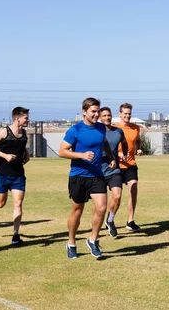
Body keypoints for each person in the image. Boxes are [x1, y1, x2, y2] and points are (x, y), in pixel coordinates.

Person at [59, 98, 116, 259]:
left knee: (101, 207)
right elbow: (62, 151)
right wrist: (81, 155)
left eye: (98, 111)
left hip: (96, 175)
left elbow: (103, 142)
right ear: (84, 112)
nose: (97, 114)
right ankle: (71, 243)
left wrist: (110, 156)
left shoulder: (100, 128)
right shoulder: (75, 130)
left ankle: (93, 240)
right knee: (77, 211)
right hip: (78, 176)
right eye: (93, 111)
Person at [0, 107, 30, 245]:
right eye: (26, 118)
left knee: (18, 203)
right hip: (3, 173)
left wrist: (25, 154)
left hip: (18, 174)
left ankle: (15, 235)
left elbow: (22, 146)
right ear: (17, 118)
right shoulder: (4, 132)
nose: (28, 120)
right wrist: (5, 156)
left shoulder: (24, 133)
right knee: (0, 203)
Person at [113, 103, 143, 232]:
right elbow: (108, 145)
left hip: (131, 164)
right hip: (117, 166)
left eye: (129, 113)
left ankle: (130, 221)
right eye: (125, 113)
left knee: (133, 188)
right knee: (116, 196)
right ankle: (110, 219)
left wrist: (139, 148)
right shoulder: (114, 128)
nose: (127, 116)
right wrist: (117, 154)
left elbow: (137, 140)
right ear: (120, 114)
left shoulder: (136, 128)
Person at [98, 107, 127, 238]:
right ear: (99, 117)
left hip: (114, 169)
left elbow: (124, 142)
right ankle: (96, 226)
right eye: (104, 115)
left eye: (108, 115)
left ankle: (110, 220)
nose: (107, 118)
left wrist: (125, 154)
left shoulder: (118, 131)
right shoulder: (95, 132)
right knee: (100, 205)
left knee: (117, 195)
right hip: (97, 172)